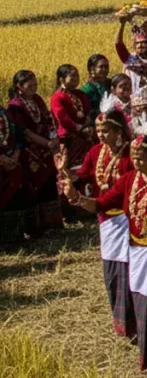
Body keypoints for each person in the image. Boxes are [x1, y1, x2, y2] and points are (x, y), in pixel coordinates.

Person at [64, 115, 147, 378]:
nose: (136, 162)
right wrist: (76, 198)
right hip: (138, 252)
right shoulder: (129, 180)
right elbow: (100, 204)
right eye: (134, 157)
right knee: (143, 303)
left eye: (141, 158)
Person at [72, 94, 136, 339]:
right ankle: (120, 320)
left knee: (127, 270)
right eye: (98, 130)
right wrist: (67, 174)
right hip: (106, 219)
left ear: (118, 131)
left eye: (106, 130)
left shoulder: (131, 154)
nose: (100, 134)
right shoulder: (96, 151)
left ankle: (132, 320)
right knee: (111, 271)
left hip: (128, 219)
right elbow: (85, 174)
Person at [7, 70, 61, 235]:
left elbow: (48, 119)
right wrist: (47, 143)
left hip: (46, 149)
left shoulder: (37, 99)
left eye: (35, 83)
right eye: (29, 84)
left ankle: (51, 225)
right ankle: (35, 227)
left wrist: (54, 138)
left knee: (49, 183)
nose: (34, 86)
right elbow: (25, 132)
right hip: (30, 153)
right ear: (19, 87)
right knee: (33, 187)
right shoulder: (15, 106)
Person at [50, 64, 94, 181]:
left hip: (85, 136)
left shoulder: (79, 94)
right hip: (68, 139)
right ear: (61, 79)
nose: (76, 78)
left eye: (77, 76)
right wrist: (80, 128)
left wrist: (88, 125)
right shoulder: (57, 97)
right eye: (72, 76)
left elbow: (87, 112)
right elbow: (63, 118)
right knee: (69, 172)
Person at [0, 105, 33, 244]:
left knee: (16, 195)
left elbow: (18, 136)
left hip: (12, 160)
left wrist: (16, 154)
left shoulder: (5, 112)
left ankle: (15, 235)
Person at [81, 54, 111, 123]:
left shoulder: (112, 83)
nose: (104, 69)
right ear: (92, 69)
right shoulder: (86, 90)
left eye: (106, 67)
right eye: (101, 67)